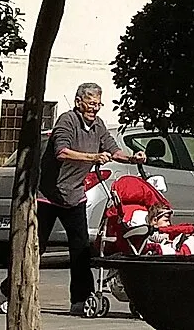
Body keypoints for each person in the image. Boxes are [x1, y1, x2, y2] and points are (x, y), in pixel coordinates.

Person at [40, 83, 144, 317]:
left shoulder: (98, 125)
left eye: (98, 104)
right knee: (37, 248)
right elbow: (62, 152)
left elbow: (113, 149)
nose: (94, 109)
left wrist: (131, 159)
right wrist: (92, 157)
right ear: (78, 102)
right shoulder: (67, 121)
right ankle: (8, 290)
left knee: (81, 250)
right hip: (48, 196)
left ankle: (80, 299)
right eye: (91, 103)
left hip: (75, 196)